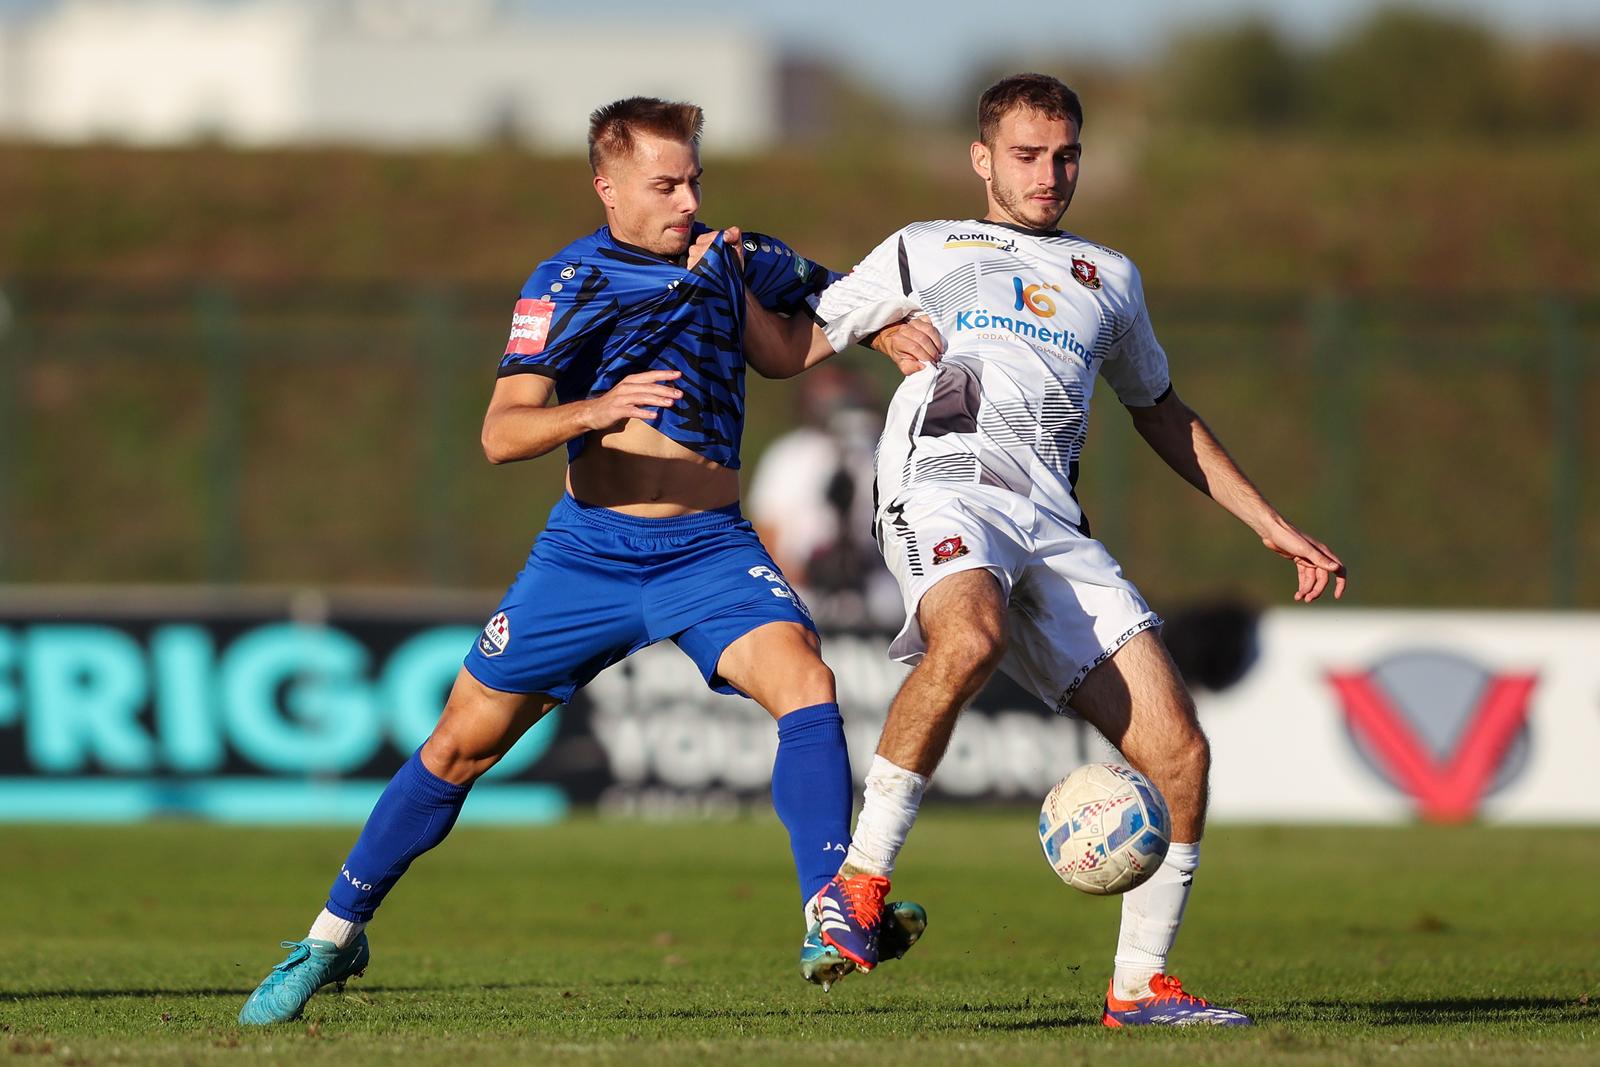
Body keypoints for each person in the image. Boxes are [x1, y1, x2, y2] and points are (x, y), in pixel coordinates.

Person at [238, 96, 938, 1025]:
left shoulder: (738, 256)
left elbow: (819, 314)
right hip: (591, 555)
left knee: (806, 684)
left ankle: (831, 908)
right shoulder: (567, 281)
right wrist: (594, 410)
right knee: (458, 746)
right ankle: (331, 935)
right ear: (608, 188)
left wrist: (879, 328)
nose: (687, 197)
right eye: (665, 183)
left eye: (693, 177)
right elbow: (500, 433)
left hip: (710, 549)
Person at [763, 73, 1348, 1024]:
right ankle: (856, 888)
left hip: (1053, 526)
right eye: (1028, 156)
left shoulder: (1109, 277)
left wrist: (1269, 521)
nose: (1050, 174)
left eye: (1066, 155)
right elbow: (793, 341)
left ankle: (1138, 987)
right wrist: (849, 312)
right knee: (968, 636)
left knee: (1180, 754)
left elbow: (1158, 408)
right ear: (982, 159)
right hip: (944, 486)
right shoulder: (922, 248)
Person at [747, 364, 901, 629]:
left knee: (895, 606)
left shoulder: (882, 451)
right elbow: (766, 532)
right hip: (803, 582)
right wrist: (791, 575)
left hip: (874, 579)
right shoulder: (789, 453)